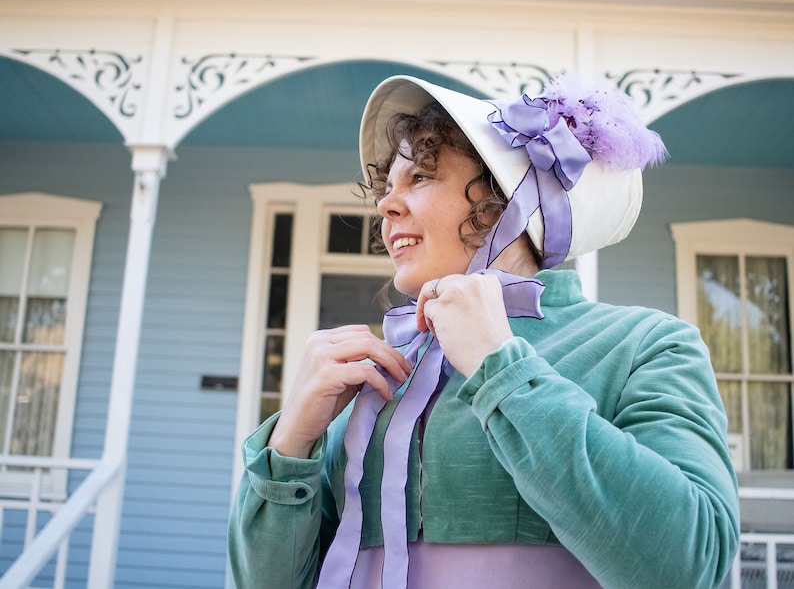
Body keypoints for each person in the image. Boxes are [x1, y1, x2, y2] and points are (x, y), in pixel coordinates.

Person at [227, 72, 740, 588]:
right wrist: (291, 442)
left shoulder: (642, 345)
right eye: (386, 187)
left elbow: (690, 565)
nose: (384, 205)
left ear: (510, 201)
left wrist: (501, 366)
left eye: (420, 177)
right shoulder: (374, 379)